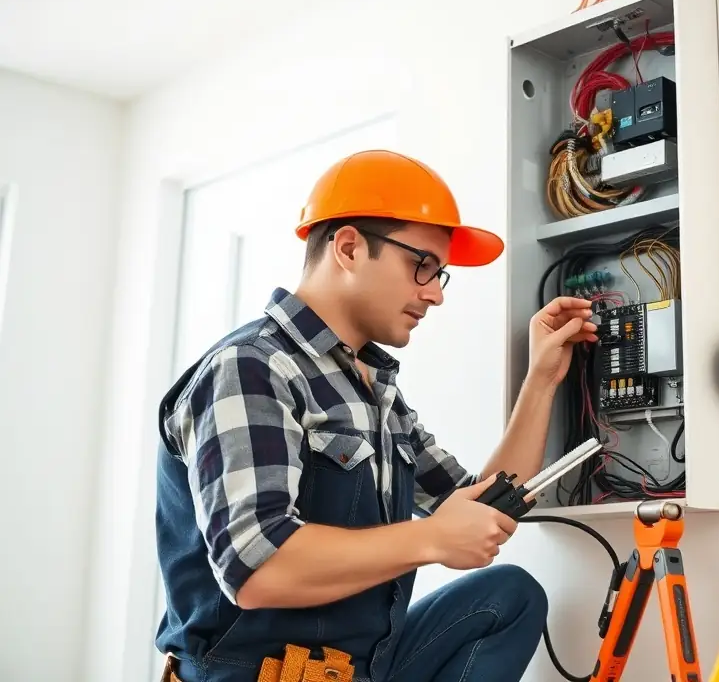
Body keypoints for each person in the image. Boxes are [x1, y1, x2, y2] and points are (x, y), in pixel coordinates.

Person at [154, 149, 598, 682]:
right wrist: (432, 539)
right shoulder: (252, 368)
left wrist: (542, 379)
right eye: (423, 266)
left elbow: (485, 503)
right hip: (251, 673)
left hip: (359, 669)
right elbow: (255, 566)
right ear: (348, 247)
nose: (434, 293)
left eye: (441, 275)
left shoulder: (371, 386)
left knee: (509, 597)